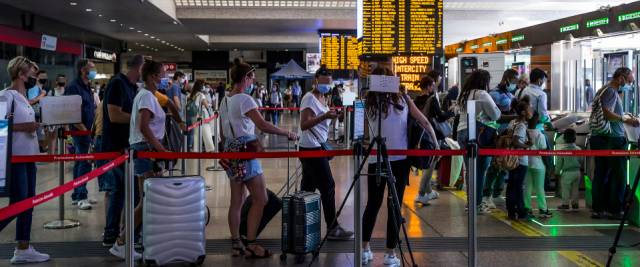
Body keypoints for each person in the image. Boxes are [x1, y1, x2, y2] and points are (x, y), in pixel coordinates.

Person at [219, 58, 297, 258]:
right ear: (245, 78)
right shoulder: (245, 99)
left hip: (230, 151)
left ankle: (237, 242)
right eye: (252, 78)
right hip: (246, 153)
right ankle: (252, 243)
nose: (253, 82)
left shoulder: (225, 100)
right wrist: (286, 133)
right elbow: (262, 125)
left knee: (236, 200)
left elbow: (221, 133)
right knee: (261, 199)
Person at [361, 66, 437, 267]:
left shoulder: (375, 101)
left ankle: (368, 249)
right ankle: (386, 252)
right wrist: (436, 142)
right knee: (389, 205)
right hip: (393, 160)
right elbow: (423, 121)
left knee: (376, 204)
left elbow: (363, 133)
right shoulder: (396, 100)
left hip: (381, 159)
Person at [109, 59, 184, 259]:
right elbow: (144, 127)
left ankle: (136, 240)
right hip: (145, 150)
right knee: (146, 200)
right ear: (153, 77)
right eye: (163, 74)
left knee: (149, 199)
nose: (165, 78)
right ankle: (122, 241)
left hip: (148, 150)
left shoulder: (149, 95)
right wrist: (160, 149)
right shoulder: (146, 97)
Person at [0, 56, 50, 264]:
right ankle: (22, 247)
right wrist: (25, 127)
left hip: (30, 157)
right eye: (31, 73)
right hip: (16, 159)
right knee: (20, 203)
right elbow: (0, 125)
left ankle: (23, 247)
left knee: (27, 203)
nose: (34, 78)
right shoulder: (6, 95)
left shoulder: (23, 99)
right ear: (21, 74)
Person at [299, 66, 353, 240]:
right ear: (316, 80)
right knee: (328, 186)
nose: (326, 85)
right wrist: (324, 117)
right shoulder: (309, 98)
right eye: (323, 82)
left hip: (315, 146)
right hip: (311, 148)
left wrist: (332, 115)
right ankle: (332, 228)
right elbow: (304, 125)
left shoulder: (324, 97)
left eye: (329, 82)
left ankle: (301, 225)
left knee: (307, 189)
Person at [100, 54, 144, 247]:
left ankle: (127, 234)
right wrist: (139, 119)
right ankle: (111, 234)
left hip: (128, 147)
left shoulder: (133, 87)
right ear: (139, 67)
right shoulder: (117, 84)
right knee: (117, 191)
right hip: (115, 148)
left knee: (131, 191)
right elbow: (114, 115)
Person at [589, 67, 639, 220]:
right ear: (621, 78)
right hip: (612, 138)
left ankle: (599, 209)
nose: (628, 85)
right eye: (628, 81)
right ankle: (615, 210)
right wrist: (626, 119)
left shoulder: (603, 89)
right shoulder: (611, 91)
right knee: (619, 175)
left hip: (600, 137)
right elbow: (608, 114)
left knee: (601, 174)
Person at [456, 69, 501, 214]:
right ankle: (477, 204)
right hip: (477, 135)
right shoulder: (482, 94)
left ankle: (471, 203)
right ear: (484, 82)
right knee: (480, 170)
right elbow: (495, 115)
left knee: (470, 170)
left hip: (461, 133)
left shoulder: (464, 94)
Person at [482, 69, 519, 209]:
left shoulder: (509, 93)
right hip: (496, 133)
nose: (515, 83)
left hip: (507, 134)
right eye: (514, 80)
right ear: (508, 79)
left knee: (504, 165)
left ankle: (497, 193)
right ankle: (487, 194)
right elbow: (493, 115)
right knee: (494, 165)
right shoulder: (494, 94)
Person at [413, 76, 453, 205]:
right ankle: (421, 194)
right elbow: (440, 117)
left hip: (419, 135)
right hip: (431, 135)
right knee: (430, 166)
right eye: (433, 85)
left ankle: (429, 192)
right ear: (429, 86)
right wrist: (451, 112)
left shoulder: (415, 99)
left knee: (427, 164)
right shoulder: (432, 99)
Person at [65, 59, 97, 210]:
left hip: (88, 129)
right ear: (83, 70)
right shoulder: (73, 87)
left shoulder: (87, 87)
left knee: (80, 162)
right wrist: (85, 131)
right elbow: (72, 113)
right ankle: (81, 196)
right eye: (91, 68)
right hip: (80, 130)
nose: (94, 71)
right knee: (84, 162)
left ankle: (77, 194)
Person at [506, 101, 533, 221]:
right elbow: (515, 141)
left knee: (512, 185)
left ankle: (511, 211)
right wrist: (527, 146)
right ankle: (521, 212)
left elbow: (509, 136)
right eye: (529, 109)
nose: (531, 112)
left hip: (512, 159)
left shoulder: (513, 122)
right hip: (520, 160)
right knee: (518, 186)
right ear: (523, 112)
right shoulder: (521, 125)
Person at [524, 112, 552, 218]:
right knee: (540, 188)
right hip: (539, 165)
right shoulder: (540, 135)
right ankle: (543, 209)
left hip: (526, 163)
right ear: (537, 121)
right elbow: (544, 153)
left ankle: (527, 208)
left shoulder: (524, 132)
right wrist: (548, 166)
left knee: (528, 187)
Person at [555, 129, 582, 211]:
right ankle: (575, 205)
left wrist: (557, 172)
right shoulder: (578, 149)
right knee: (575, 189)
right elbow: (581, 160)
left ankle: (565, 204)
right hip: (577, 172)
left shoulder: (562, 150)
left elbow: (559, 163)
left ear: (564, 139)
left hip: (567, 172)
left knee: (565, 190)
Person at [188, 79, 215, 152]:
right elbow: (206, 106)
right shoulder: (201, 95)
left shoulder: (193, 94)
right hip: (202, 117)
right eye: (203, 85)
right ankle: (211, 149)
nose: (205, 87)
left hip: (194, 116)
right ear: (201, 86)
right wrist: (211, 113)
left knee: (196, 134)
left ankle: (196, 150)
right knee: (207, 132)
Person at [27, 70, 47, 152]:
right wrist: (42, 95)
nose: (44, 78)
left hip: (40, 115)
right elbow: (31, 101)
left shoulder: (41, 88)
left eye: (45, 77)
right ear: (37, 78)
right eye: (42, 76)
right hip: (35, 115)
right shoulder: (34, 88)